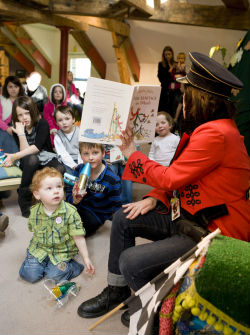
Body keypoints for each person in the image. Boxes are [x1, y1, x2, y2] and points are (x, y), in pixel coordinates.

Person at [77, 52, 250, 327]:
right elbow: (183, 177)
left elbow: (171, 177)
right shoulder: (209, 129)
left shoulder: (215, 134)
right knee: (123, 218)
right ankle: (117, 290)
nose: (182, 100)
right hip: (189, 215)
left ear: (199, 98)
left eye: (185, 93)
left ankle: (156, 309)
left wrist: (133, 153)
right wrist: (154, 197)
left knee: (132, 261)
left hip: (211, 228)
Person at [19, 167, 94, 283]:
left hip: (62, 252)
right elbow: (32, 230)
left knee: (53, 277)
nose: (56, 191)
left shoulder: (70, 212)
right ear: (37, 195)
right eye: (49, 188)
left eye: (59, 186)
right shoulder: (34, 211)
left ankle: (73, 266)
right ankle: (35, 262)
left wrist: (86, 258)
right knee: (30, 276)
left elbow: (78, 237)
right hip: (40, 248)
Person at [2, 96, 65, 218]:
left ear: (33, 111)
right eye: (20, 115)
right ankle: (24, 198)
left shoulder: (42, 123)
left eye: (27, 113)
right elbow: (26, 152)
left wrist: (14, 156)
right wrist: (20, 132)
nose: (24, 117)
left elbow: (36, 148)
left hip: (45, 155)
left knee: (60, 168)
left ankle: (51, 201)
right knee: (32, 159)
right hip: (27, 157)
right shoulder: (18, 127)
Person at [66, 142, 122, 236]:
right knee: (57, 219)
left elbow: (117, 204)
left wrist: (118, 227)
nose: (90, 157)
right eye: (86, 153)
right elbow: (68, 192)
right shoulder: (78, 170)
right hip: (76, 206)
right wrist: (74, 200)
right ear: (80, 155)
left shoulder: (112, 179)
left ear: (103, 153)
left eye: (95, 153)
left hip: (96, 214)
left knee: (75, 231)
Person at [54, 105, 82, 174]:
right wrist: (73, 165)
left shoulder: (80, 132)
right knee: (66, 173)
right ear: (56, 123)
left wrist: (80, 164)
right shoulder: (58, 137)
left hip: (82, 159)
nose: (64, 122)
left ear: (73, 119)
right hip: (67, 162)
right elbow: (63, 154)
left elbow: (82, 149)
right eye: (60, 120)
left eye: (67, 119)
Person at [0, 76, 24, 153]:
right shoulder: (1, 100)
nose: (13, 89)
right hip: (4, 127)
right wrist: (7, 128)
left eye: (16, 86)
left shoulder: (24, 100)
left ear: (19, 88)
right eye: (10, 87)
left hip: (21, 127)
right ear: (6, 88)